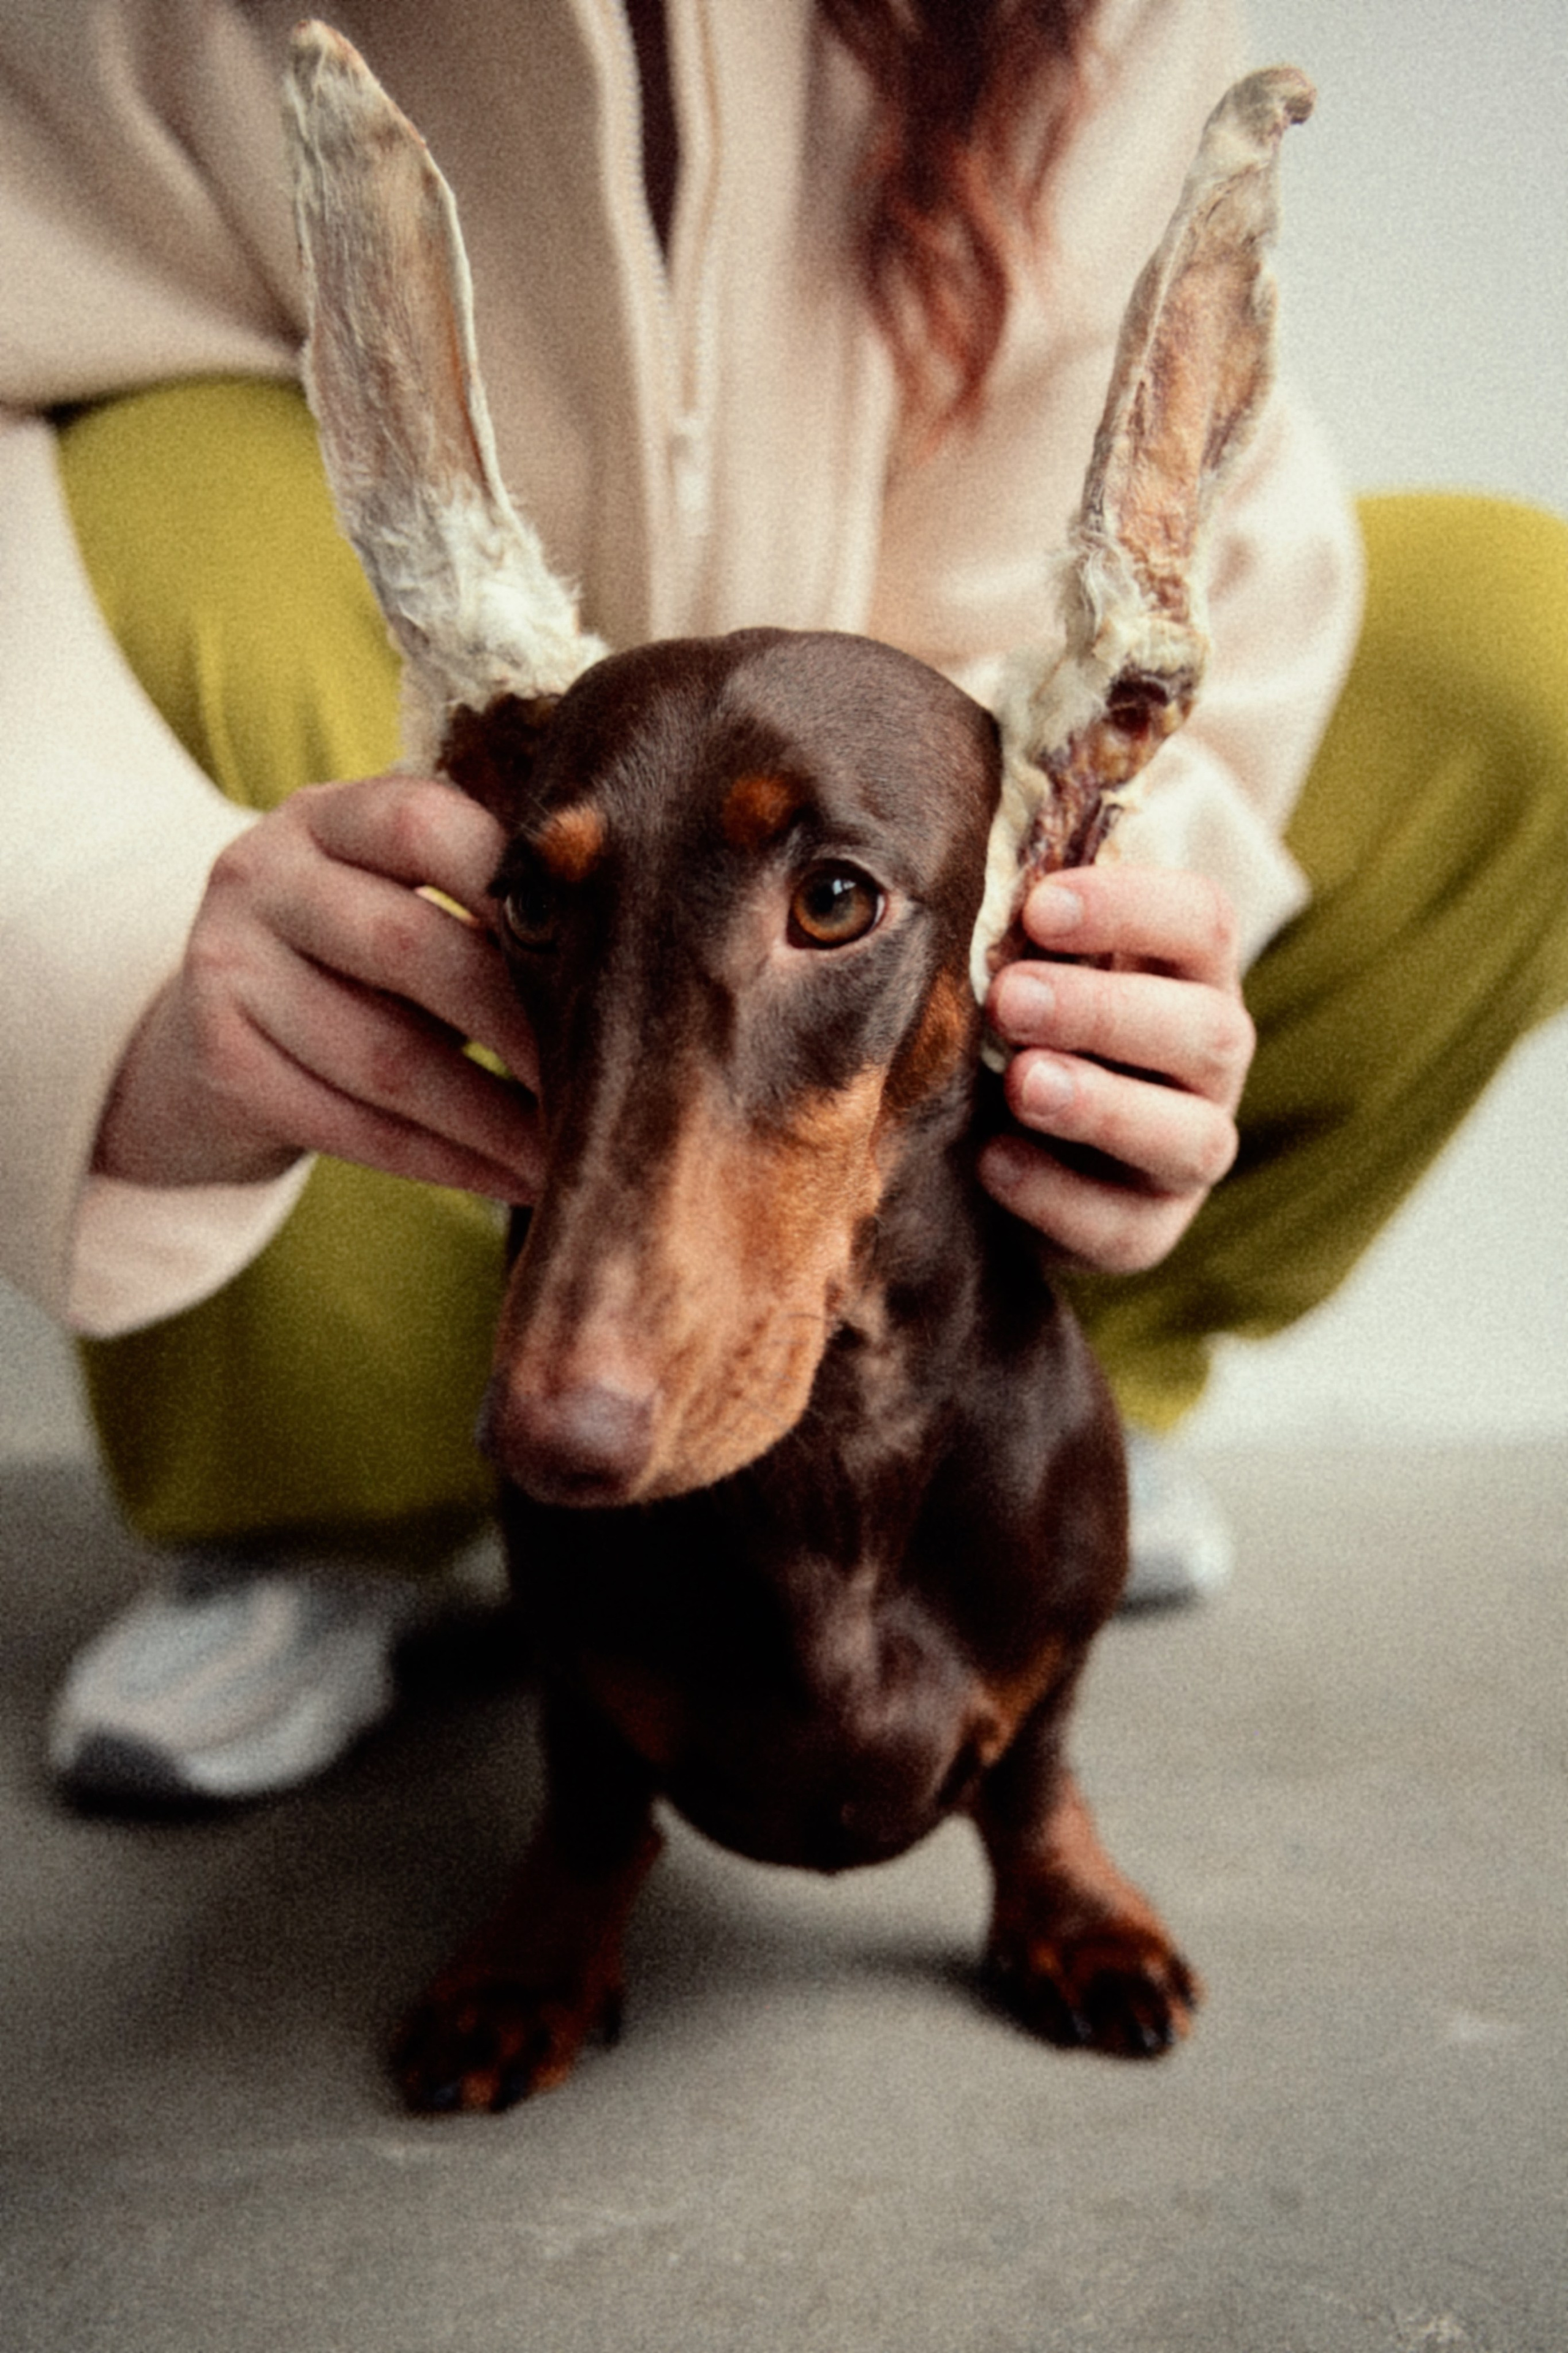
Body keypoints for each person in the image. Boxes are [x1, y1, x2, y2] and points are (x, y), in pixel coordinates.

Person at [1, 0, 1563, 1805]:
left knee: (1530, 661)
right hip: (453, 962)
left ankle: (1024, 1405)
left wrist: (1085, 944)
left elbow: (1177, 523)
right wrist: (111, 936)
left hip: (918, 953)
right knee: (176, 483)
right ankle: (327, 1505)